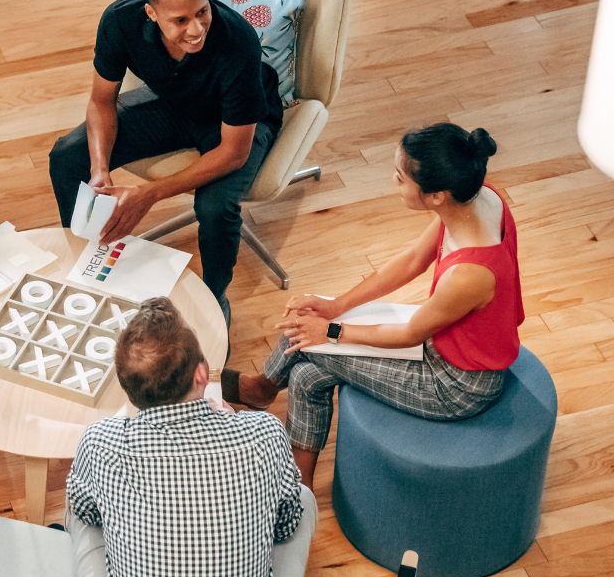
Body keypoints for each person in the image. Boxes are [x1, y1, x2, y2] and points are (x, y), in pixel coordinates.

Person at [223, 124, 523, 490]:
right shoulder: (478, 199)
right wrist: (338, 306)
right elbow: (413, 260)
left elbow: (410, 333)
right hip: (441, 343)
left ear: (436, 196)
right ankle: (298, 485)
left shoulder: (471, 274)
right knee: (305, 373)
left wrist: (331, 331)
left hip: (454, 385)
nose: (392, 182)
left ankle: (262, 393)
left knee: (306, 339)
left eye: (400, 179)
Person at [65, 297, 309, 577]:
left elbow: (87, 512)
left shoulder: (99, 443)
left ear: (128, 391)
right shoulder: (263, 433)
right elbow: (285, 526)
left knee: (79, 508)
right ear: (202, 375)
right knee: (302, 499)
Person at [48, 0, 285, 326]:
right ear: (151, 14)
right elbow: (100, 102)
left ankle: (214, 298)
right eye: (180, 20)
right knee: (66, 155)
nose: (196, 29)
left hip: (233, 124)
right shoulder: (119, 20)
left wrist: (150, 194)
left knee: (215, 208)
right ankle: (87, 262)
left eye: (202, 11)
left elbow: (234, 153)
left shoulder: (237, 41)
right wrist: (99, 170)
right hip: (174, 103)